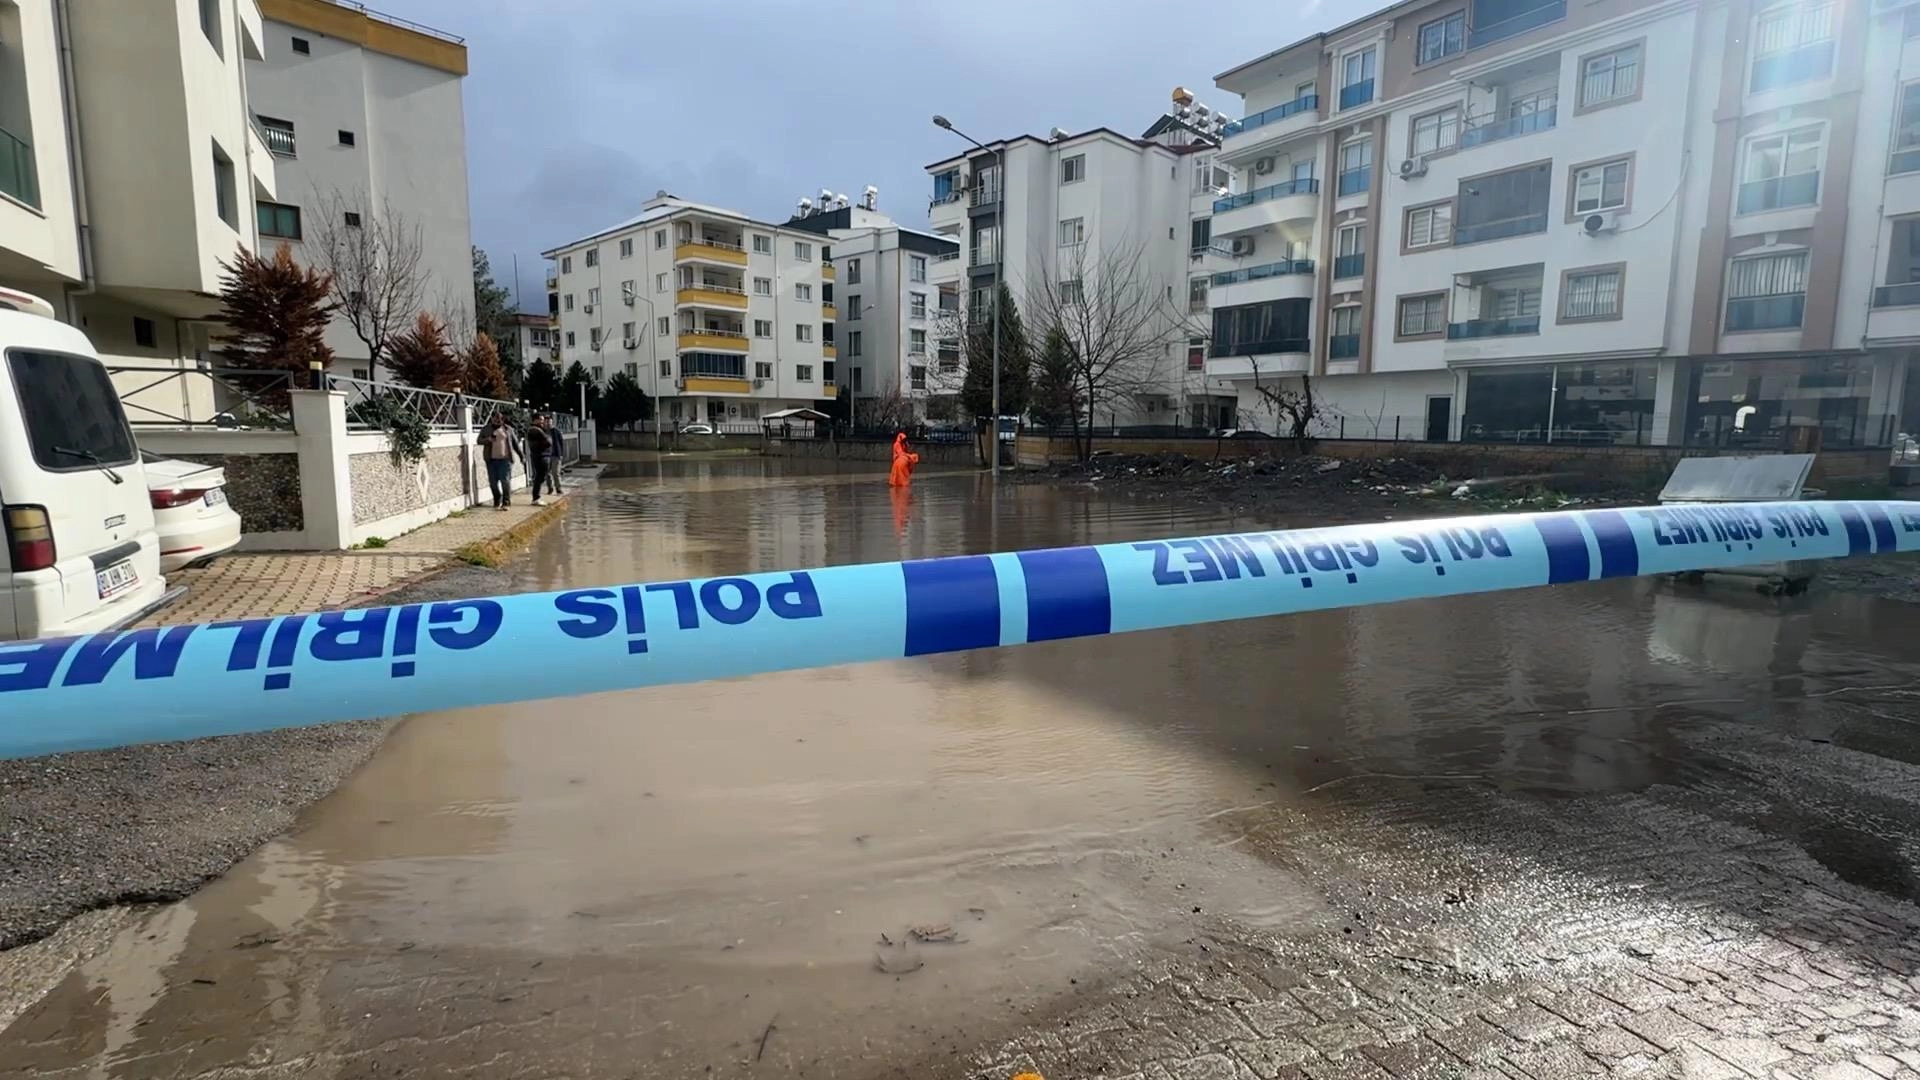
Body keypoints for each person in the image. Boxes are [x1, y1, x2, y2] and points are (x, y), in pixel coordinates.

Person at [478, 412, 522, 510]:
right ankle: (497, 499)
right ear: (492, 419)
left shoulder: (508, 429)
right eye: (495, 418)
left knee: (505, 481)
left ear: (503, 420)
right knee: (493, 483)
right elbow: (479, 440)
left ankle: (506, 502)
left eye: (500, 419)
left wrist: (521, 456)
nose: (498, 421)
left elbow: (515, 443)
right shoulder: (486, 429)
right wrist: (488, 439)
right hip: (491, 460)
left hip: (505, 460)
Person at [524, 414, 554, 505]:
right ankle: (536, 498)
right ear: (535, 420)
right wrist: (547, 439)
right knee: (539, 477)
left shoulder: (541, 430)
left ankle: (536, 497)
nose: (543, 422)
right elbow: (548, 442)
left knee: (541, 477)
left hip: (543, 455)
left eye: (543, 420)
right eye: (541, 419)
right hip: (540, 456)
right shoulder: (535, 430)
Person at [547, 416, 567, 493]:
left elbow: (561, 442)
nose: (548, 423)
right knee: (547, 473)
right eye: (546, 422)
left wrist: (561, 454)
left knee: (555, 472)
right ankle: (550, 488)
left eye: (549, 422)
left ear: (552, 422)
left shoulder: (556, 431)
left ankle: (558, 488)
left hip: (555, 454)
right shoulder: (543, 431)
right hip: (546, 455)